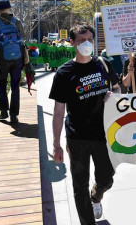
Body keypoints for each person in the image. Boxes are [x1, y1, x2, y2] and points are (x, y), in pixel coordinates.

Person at [50, 24, 120, 225]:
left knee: (107, 178)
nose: (86, 43)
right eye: (81, 40)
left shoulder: (104, 64)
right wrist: (56, 145)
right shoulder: (64, 73)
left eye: (89, 39)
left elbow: (117, 89)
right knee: (79, 186)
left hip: (103, 135)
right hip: (77, 137)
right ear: (72, 43)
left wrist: (112, 97)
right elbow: (58, 112)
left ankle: (96, 196)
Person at [0, 0, 26, 124]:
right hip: (17, 59)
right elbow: (22, 39)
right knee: (15, 86)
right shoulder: (17, 21)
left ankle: (4, 112)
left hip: (3, 59)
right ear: (9, 8)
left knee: (2, 84)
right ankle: (14, 115)